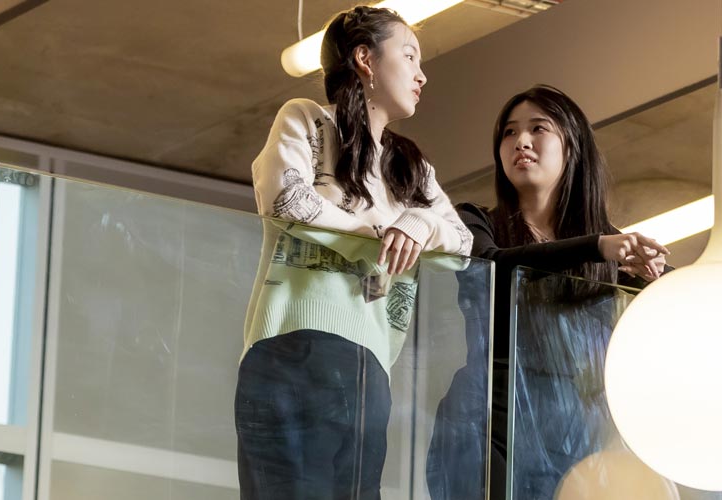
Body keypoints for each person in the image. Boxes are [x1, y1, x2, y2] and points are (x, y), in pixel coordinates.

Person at [240, 6, 470, 499]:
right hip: (292, 348)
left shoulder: (410, 167)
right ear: (365, 59)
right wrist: (379, 233)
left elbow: (463, 245)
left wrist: (419, 220)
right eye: (409, 55)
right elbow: (285, 200)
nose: (421, 73)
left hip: (371, 366)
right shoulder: (306, 120)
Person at [429, 84, 676, 500]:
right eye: (509, 133)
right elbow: (494, 265)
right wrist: (597, 246)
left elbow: (672, 306)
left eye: (537, 129)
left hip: (581, 434)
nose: (520, 141)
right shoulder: (474, 221)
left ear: (571, 146)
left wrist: (655, 276)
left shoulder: (612, 246)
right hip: (489, 424)